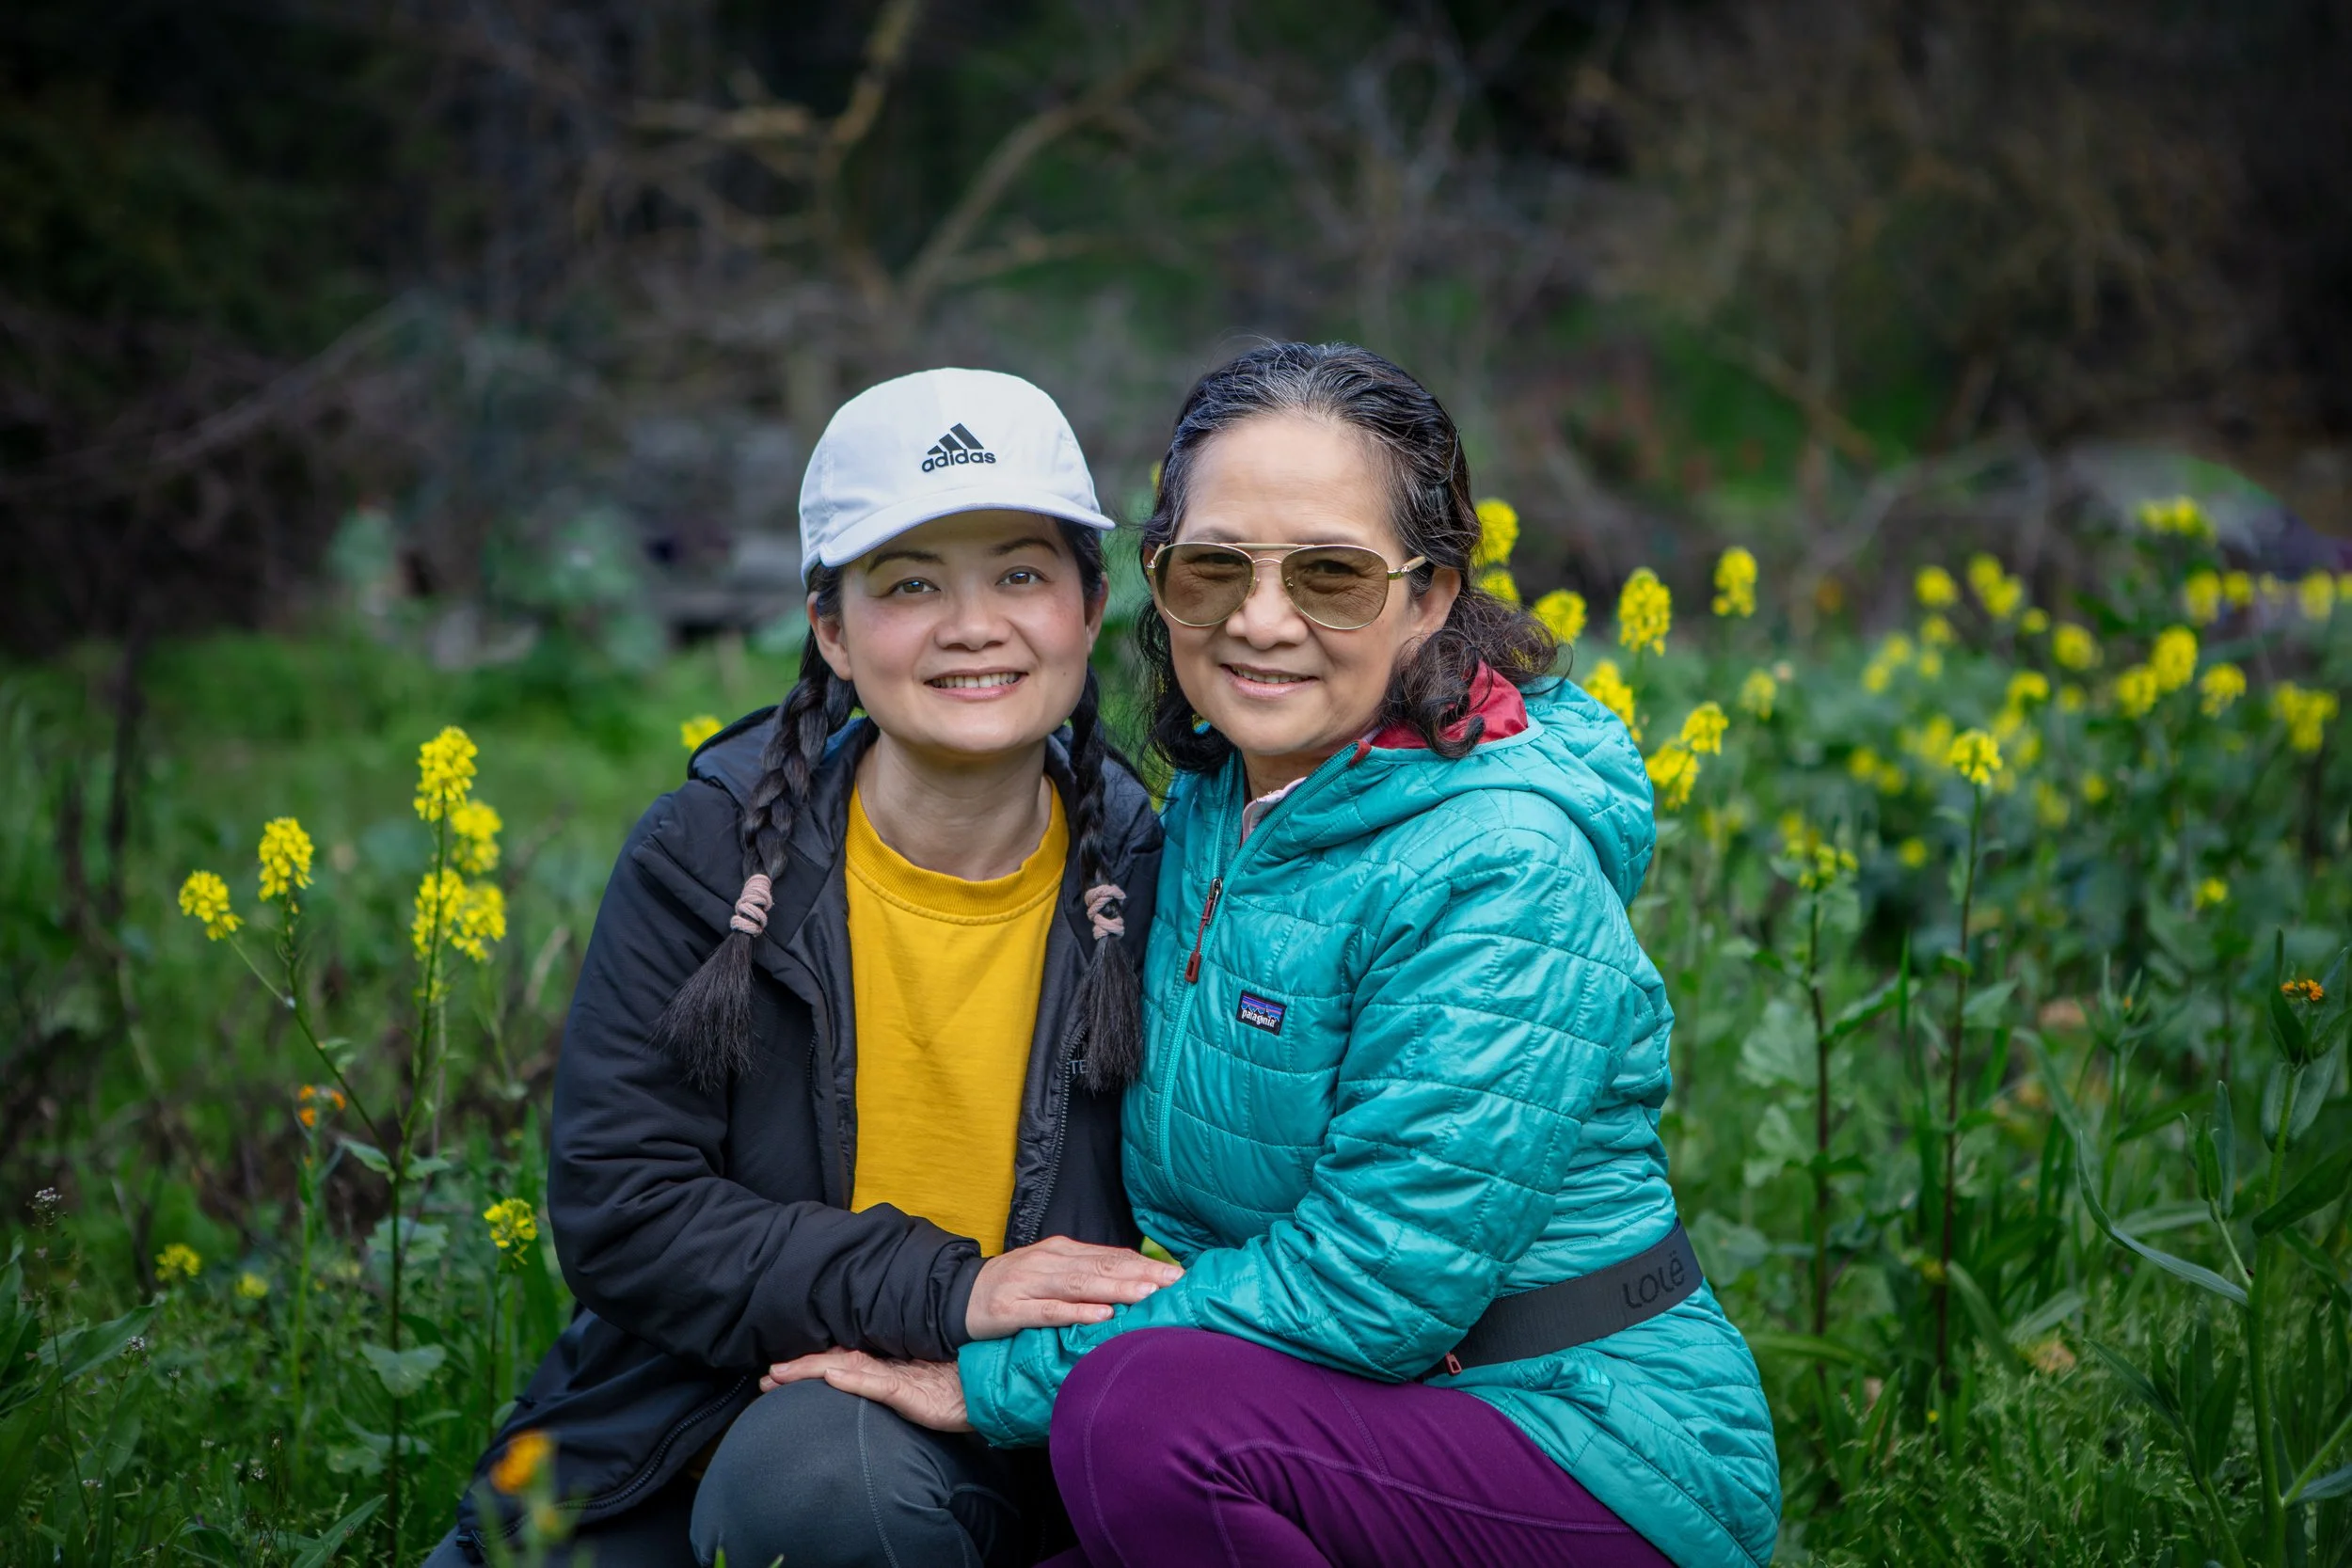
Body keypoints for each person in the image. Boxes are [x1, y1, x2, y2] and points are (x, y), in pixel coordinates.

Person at [764, 343, 1782, 1568]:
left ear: (1432, 594)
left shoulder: (1500, 860)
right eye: (1213, 569)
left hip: (1587, 1442)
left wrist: (989, 1381)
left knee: (1133, 1418)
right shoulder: (1209, 811)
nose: (1260, 619)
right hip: (1359, 1425)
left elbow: (1371, 1284)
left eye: (1334, 576)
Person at [425, 368, 1181, 1568]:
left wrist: (996, 1348)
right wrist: (951, 1289)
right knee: (806, 1469)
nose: (972, 623)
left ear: (1091, 609)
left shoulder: (1170, 877)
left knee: (817, 1481)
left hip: (1043, 1441)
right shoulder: (710, 856)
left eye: (1021, 574)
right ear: (830, 628)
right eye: (911, 583)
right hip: (703, 1420)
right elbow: (626, 1212)